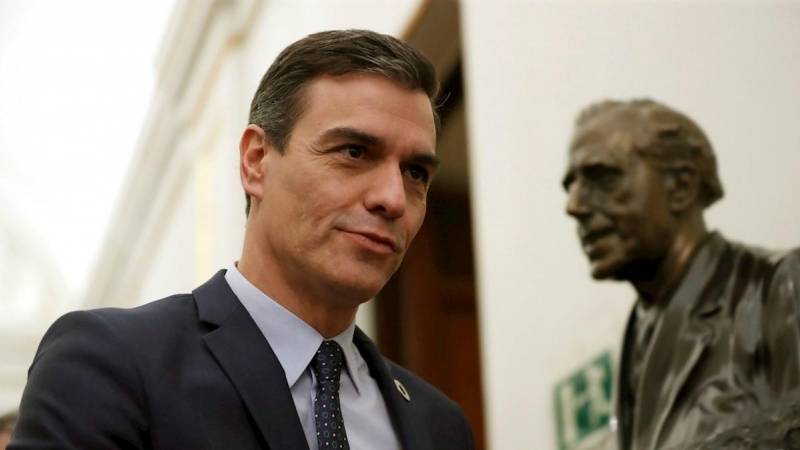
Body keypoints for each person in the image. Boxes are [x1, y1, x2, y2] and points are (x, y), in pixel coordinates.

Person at [11, 30, 475, 450]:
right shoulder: (108, 364)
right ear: (255, 162)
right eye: (354, 152)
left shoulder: (441, 426)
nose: (393, 198)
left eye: (415, 172)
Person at [562, 99, 800, 450]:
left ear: (681, 187)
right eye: (571, 185)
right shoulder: (635, 342)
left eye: (601, 176)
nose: (574, 206)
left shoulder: (777, 288)